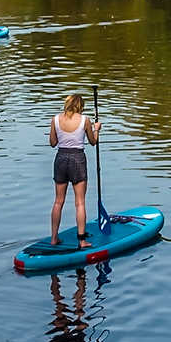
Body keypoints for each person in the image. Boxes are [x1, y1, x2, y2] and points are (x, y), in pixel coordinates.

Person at [49, 93, 101, 248]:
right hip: (77, 159)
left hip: (60, 158)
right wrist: (96, 129)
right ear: (80, 106)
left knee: (58, 201)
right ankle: (82, 240)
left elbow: (52, 143)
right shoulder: (85, 120)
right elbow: (93, 142)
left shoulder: (55, 119)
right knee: (80, 203)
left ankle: (54, 238)